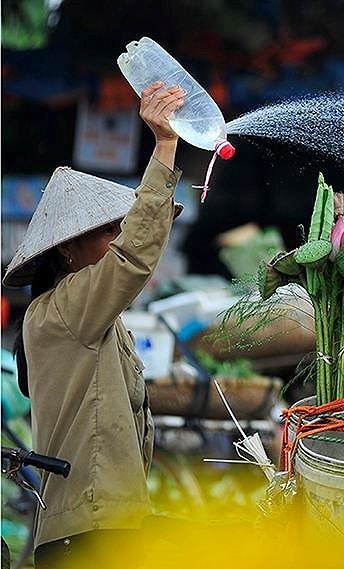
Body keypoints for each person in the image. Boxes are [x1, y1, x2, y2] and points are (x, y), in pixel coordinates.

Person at [4, 81, 186, 568]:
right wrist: (165, 145)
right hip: (85, 534)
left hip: (106, 526)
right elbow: (133, 259)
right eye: (110, 231)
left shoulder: (90, 318)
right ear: (67, 249)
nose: (120, 240)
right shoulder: (65, 310)